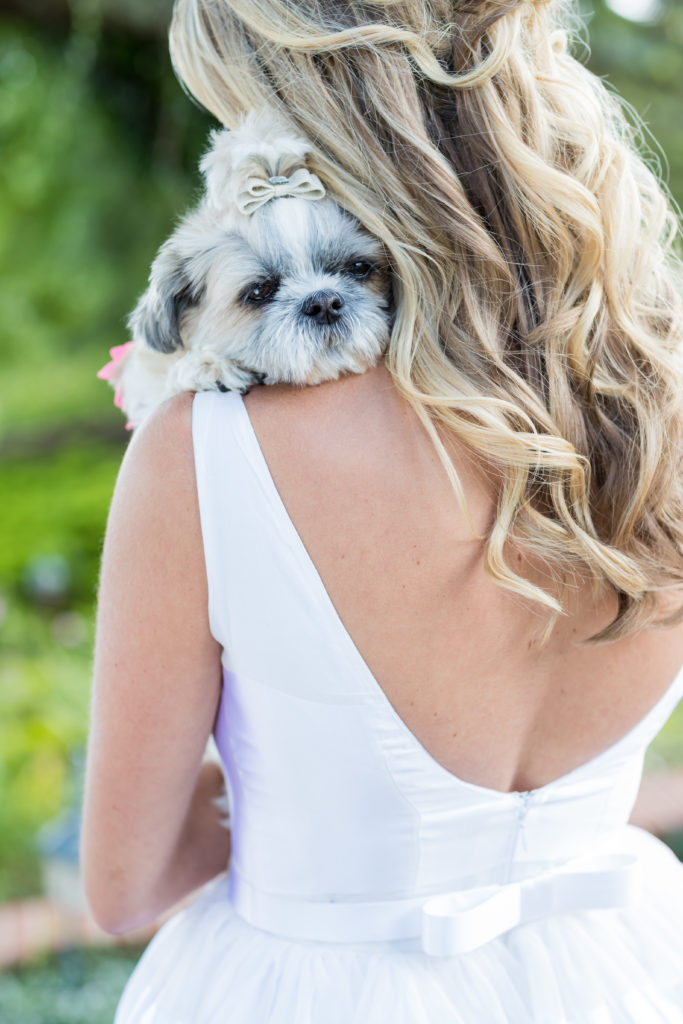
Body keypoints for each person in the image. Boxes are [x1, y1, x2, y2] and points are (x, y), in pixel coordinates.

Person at [81, 0, 683, 1019]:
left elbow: (123, 883)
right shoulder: (655, 398)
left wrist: (294, 814)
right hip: (621, 971)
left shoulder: (206, 454)